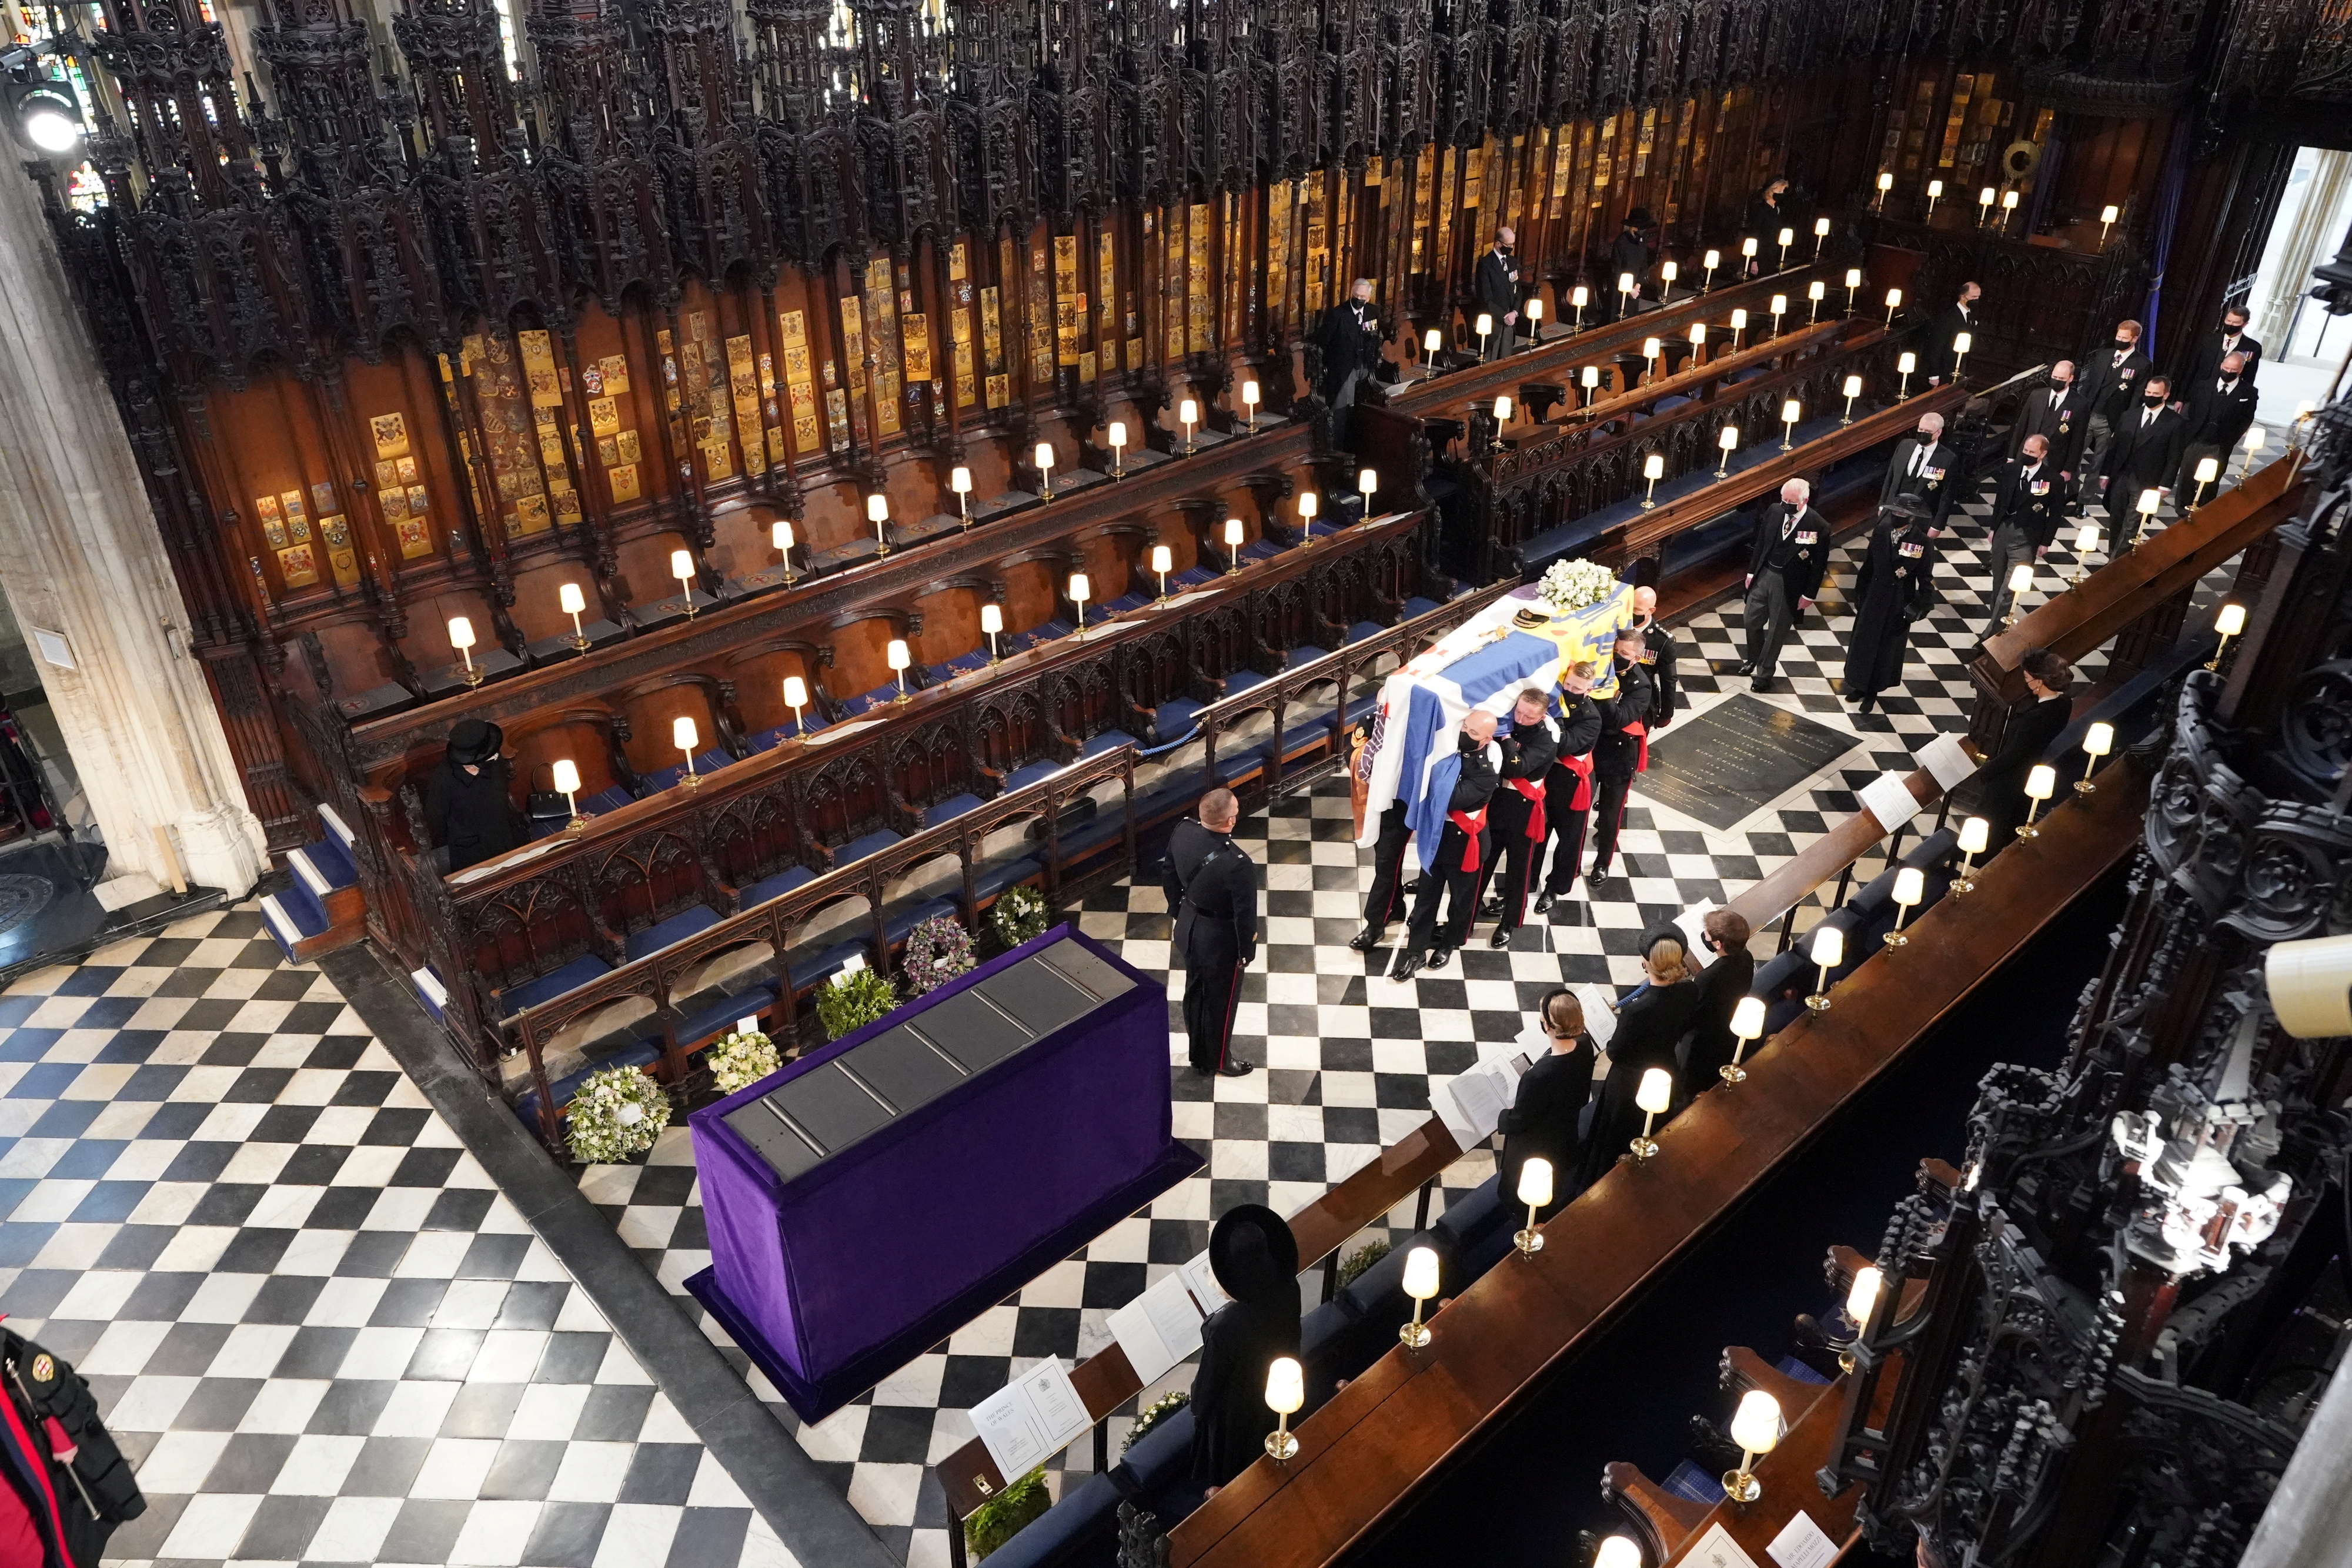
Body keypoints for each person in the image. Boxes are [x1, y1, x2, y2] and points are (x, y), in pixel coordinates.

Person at [1187, 1205, 1302, 1492]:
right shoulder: (1290, 1287)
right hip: (1279, 1392)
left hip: (1238, 1421)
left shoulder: (1226, 1326)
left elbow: (1203, 1397)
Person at [1576, 932, 1703, 1189]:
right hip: (1665, 1066)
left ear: (1646, 964)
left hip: (1629, 1081)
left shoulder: (1636, 1010)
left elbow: (1615, 1052)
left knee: (1615, 1135)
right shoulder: (1689, 991)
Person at [1396, 710, 1501, 979]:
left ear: (1487, 739)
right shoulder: (1447, 753)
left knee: (1461, 901)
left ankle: (1449, 943)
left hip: (1466, 846)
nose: (1466, 733)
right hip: (1437, 839)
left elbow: (1450, 798)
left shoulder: (1485, 773)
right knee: (1425, 899)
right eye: (1466, 727)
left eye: (1474, 733)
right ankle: (1415, 951)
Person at [1162, 788, 1260, 1076]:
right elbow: (1245, 916)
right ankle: (1218, 1060)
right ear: (1229, 821)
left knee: (1195, 991)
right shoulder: (1238, 864)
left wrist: (1180, 912)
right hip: (1220, 940)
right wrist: (1246, 951)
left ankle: (1198, 1049)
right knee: (1220, 1002)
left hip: (1190, 927)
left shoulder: (1182, 831)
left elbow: (1168, 874)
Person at [1498, 989, 1594, 1217]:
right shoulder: (1585, 1044)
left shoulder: (1539, 1075)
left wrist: (1503, 1116)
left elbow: (1520, 1119)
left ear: (1547, 1026)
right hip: (1565, 1133)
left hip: (1535, 1144)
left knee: (1521, 1195)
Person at [1478, 688, 1560, 947]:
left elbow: (1517, 768)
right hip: (1497, 803)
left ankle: (1510, 922)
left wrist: (1505, 738)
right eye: (1519, 712)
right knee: (1484, 861)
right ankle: (1467, 915)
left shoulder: (1547, 738)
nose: (1521, 720)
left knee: (1518, 870)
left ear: (1542, 715)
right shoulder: (1508, 719)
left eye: (1528, 717)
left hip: (1523, 810)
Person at [1843, 495, 1939, 714]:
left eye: (1902, 514)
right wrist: (1859, 592)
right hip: (1874, 595)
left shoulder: (1922, 542)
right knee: (1864, 641)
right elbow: (1869, 565)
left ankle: (1873, 691)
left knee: (1886, 648)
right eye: (1895, 513)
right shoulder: (1881, 532)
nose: (1897, 517)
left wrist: (1921, 606)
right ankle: (1858, 684)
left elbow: (1925, 577)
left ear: (1912, 518)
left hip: (1898, 601)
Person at [1978, 648, 2073, 850]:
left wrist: (1984, 771)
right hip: (2029, 775)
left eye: (2027, 678)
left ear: (2039, 681)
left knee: (1991, 832)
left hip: (2010, 782)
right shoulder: (2064, 703)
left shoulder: (2034, 719)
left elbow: (2013, 755)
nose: (2026, 682)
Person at [1740, 479, 1830, 693]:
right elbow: (1761, 543)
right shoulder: (1774, 511)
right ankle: (1754, 657)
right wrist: (1751, 572)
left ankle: (1764, 675)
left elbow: (1819, 565)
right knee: (1750, 619)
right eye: (1784, 500)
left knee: (1775, 633)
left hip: (1789, 583)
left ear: (1804, 501)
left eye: (1791, 501)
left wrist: (1809, 595)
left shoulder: (1818, 526)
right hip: (1765, 574)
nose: (1786, 504)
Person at [1534, 663, 1605, 912]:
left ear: (1589, 689)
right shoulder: (1553, 700)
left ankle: (1554, 888)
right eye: (1568, 685)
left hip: (1573, 787)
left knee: (1569, 842)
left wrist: (1551, 721)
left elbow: (1565, 744)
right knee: (1537, 835)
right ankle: (1527, 883)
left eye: (1577, 688)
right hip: (1548, 779)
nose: (1571, 690)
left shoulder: (1591, 718)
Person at [1586, 633, 1654, 883]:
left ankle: (1602, 862)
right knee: (1580, 808)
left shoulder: (1640, 685)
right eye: (1615, 650)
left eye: (1624, 654)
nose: (1617, 657)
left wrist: (1604, 694)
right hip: (1592, 750)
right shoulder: (1600, 669)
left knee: (1609, 814)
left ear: (1637, 658)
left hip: (1619, 756)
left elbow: (1618, 719)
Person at [1983, 434, 2064, 631]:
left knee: (2010, 588)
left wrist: (2046, 542)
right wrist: (1994, 529)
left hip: (2027, 537)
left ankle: (1989, 635)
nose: (2026, 455)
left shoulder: (2054, 479)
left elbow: (2055, 514)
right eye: (2025, 451)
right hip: (2003, 531)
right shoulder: (2011, 470)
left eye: (2031, 452)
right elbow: (2000, 501)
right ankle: (1998, 626)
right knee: (1998, 583)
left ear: (2043, 454)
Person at [426, 718, 523, 872]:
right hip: (472, 853)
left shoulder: (495, 762)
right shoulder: (444, 779)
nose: (494, 755)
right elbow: (436, 818)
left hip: (504, 839)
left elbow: (502, 792)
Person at [1679, 910, 1756, 1101]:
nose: (1704, 936)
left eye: (1706, 934)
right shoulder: (1747, 958)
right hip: (1730, 1024)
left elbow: (1693, 1013)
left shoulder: (1708, 978)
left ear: (1718, 944)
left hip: (1704, 1042)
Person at [2098, 373, 2186, 533]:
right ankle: (2114, 557)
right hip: (2121, 477)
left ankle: (2119, 557)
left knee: (2132, 525)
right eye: (2148, 392)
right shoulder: (2129, 416)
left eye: (2156, 394)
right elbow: (2114, 447)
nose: (2151, 396)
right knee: (2116, 521)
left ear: (2165, 395)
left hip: (2147, 481)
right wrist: (2105, 474)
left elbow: (2174, 457)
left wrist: (2165, 485)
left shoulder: (2175, 423)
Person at [2176, 351, 2259, 498]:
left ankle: (2204, 509)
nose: (2228, 372)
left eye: (2233, 370)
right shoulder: (2203, 385)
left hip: (2220, 444)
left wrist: (2231, 439)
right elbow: (2192, 410)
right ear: (2221, 365)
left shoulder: (2249, 393)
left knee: (2211, 480)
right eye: (2226, 368)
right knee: (2186, 476)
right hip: (2196, 439)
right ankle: (2182, 510)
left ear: (2240, 370)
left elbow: (2247, 419)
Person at [2079, 319, 2151, 482]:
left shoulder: (2142, 364)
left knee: (2098, 462)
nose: (2120, 341)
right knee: (2075, 455)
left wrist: (2125, 423)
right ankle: (2071, 492)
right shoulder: (2104, 355)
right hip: (2090, 412)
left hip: (2111, 420)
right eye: (2119, 337)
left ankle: (2084, 499)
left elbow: (2137, 397)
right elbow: (2089, 383)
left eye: (2125, 339)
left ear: (2135, 339)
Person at [2012, 360, 2088, 511]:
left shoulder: (2079, 404)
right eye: (2055, 377)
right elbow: (2021, 426)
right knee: (2020, 491)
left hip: (2054, 460)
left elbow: (2077, 441)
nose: (2056, 381)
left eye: (2061, 379)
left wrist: (2068, 469)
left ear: (2070, 379)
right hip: (2027, 455)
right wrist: (2011, 455)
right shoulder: (2037, 395)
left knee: (2041, 497)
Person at [1880, 410, 1960, 535]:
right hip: (1893, 511)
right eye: (1921, 429)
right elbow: (1890, 477)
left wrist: (1937, 526)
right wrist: (1882, 504)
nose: (1923, 434)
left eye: (1928, 432)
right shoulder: (1904, 446)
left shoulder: (1947, 459)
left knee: (1909, 552)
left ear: (1938, 432)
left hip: (1921, 518)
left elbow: (1947, 496)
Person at [1314, 277, 1386, 410]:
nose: (1359, 299)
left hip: (1365, 367)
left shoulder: (1373, 312)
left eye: (1362, 296)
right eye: (1356, 295)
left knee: (1365, 407)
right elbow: (1323, 341)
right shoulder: (1338, 314)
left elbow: (1374, 334)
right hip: (1344, 369)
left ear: (1368, 298)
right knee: (1342, 409)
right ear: (1351, 294)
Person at [2176, 302, 2263, 390]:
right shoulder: (2208, 339)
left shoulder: (2253, 347)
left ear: (2245, 324)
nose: (2231, 325)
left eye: (2235, 323)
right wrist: (2181, 398)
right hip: (2199, 391)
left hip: (2228, 393)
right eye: (2228, 321)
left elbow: (2250, 376)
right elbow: (2192, 367)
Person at [1631, 585, 1676, 729]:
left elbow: (1668, 680)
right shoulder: (1618, 626)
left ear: (1651, 611)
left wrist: (1666, 714)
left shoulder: (1662, 641)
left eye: (1637, 610)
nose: (1632, 613)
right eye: (1630, 607)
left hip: (1642, 698)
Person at [1475, 228, 1523, 359]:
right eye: (1508, 245)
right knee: (1491, 360)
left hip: (1510, 320)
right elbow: (1486, 298)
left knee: (1506, 359)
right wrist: (1505, 316)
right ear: (1498, 244)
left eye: (1513, 244)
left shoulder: (1512, 262)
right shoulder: (1485, 264)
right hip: (1495, 321)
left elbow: (1517, 290)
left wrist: (1514, 313)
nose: (1511, 248)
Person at [1923, 281, 1982, 385]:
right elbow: (1937, 346)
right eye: (1973, 297)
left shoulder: (1971, 315)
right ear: (1963, 297)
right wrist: (1934, 375)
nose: (1976, 300)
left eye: (1978, 297)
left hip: (1960, 368)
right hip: (1945, 369)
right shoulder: (1948, 318)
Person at [1609, 209, 1656, 319]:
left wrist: (1637, 286)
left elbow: (1644, 266)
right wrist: (1629, 289)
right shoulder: (1622, 242)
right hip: (1619, 291)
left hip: (1634, 291)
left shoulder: (1642, 241)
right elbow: (1615, 270)